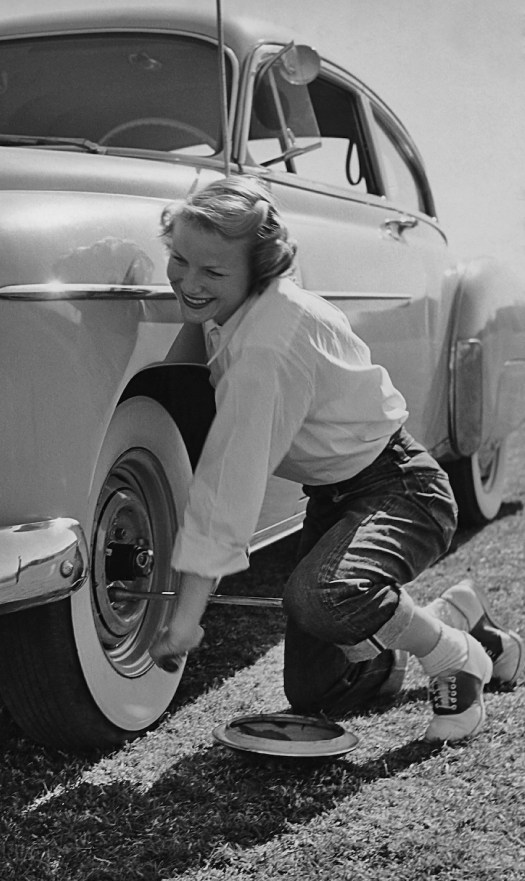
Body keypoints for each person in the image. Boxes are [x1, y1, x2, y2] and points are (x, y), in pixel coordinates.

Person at [149, 176, 523, 744]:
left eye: (213, 272)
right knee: (318, 689)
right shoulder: (241, 307)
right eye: (179, 259)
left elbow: (227, 487)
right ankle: (454, 616)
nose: (189, 281)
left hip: (401, 488)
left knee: (323, 597)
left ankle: (455, 656)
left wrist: (185, 619)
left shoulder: (268, 344)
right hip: (336, 496)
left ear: (260, 271)